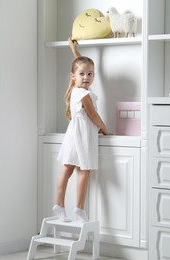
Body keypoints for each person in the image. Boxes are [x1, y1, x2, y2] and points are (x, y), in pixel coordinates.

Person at [53, 37, 111, 223]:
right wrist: (105, 130)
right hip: (83, 136)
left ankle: (59, 205)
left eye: (90, 74)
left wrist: (74, 49)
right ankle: (79, 208)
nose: (86, 77)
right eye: (82, 74)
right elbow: (93, 116)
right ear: (73, 76)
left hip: (74, 134)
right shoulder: (84, 94)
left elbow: (79, 65)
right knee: (83, 172)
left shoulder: (76, 89)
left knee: (67, 171)